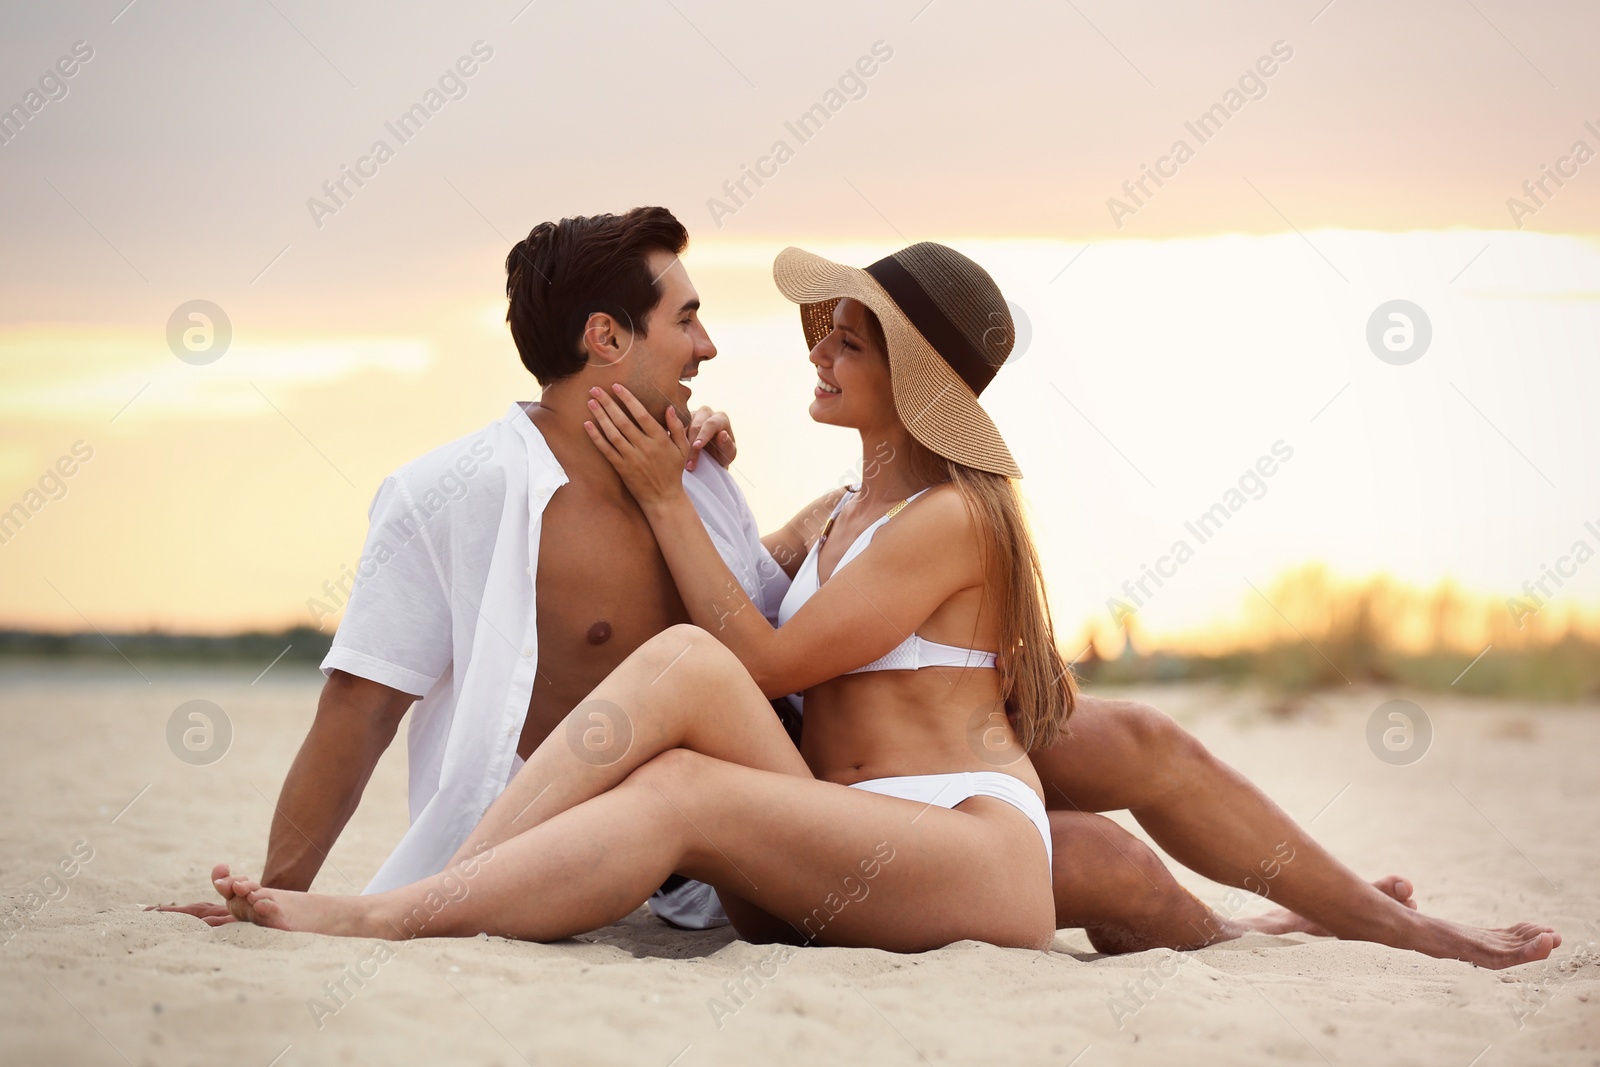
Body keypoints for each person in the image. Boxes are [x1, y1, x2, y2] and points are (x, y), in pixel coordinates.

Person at [207, 237, 1559, 967]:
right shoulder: (849, 514)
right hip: (863, 832)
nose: (814, 345)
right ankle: (449, 892)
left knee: (683, 760)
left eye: (848, 337)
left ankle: (399, 919)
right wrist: (700, 471)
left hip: (950, 844)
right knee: (684, 679)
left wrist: (666, 497)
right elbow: (749, 599)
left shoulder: (951, 514)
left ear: (913, 375)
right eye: (826, 329)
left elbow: (772, 648)